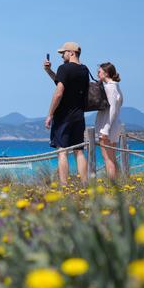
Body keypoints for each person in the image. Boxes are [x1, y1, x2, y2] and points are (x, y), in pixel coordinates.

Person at [43, 42, 88, 186]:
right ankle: (85, 185)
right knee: (79, 151)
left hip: (63, 116)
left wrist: (50, 114)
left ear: (72, 53)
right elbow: (62, 82)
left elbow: (59, 92)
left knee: (62, 151)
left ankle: (64, 186)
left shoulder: (64, 68)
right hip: (79, 115)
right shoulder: (84, 70)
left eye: (63, 53)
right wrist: (49, 71)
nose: (62, 56)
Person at [95, 62, 123, 181]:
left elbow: (112, 109)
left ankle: (112, 186)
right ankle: (118, 183)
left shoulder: (110, 87)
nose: (97, 73)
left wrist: (105, 129)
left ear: (106, 73)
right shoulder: (116, 86)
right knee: (112, 158)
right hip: (113, 125)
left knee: (108, 159)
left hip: (107, 126)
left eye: (99, 71)